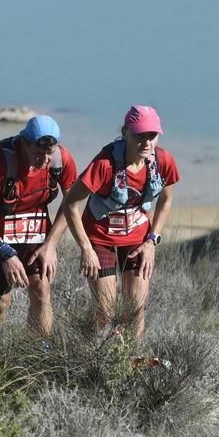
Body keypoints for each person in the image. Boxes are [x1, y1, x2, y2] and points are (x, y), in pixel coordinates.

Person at [62, 105, 180, 342]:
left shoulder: (162, 161)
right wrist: (86, 249)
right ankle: (82, 350)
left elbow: (166, 201)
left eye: (152, 136)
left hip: (138, 240)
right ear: (125, 132)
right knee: (105, 313)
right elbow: (70, 204)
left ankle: (130, 363)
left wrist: (152, 242)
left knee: (135, 311)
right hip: (100, 239)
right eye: (139, 135)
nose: (146, 142)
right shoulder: (104, 165)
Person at [0, 115, 77, 337]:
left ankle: (38, 353)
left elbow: (71, 204)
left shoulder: (61, 159)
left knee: (41, 289)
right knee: (0, 300)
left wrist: (50, 245)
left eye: (50, 152)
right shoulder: (2, 160)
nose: (45, 159)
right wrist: (5, 253)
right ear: (24, 143)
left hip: (34, 229)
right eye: (38, 152)